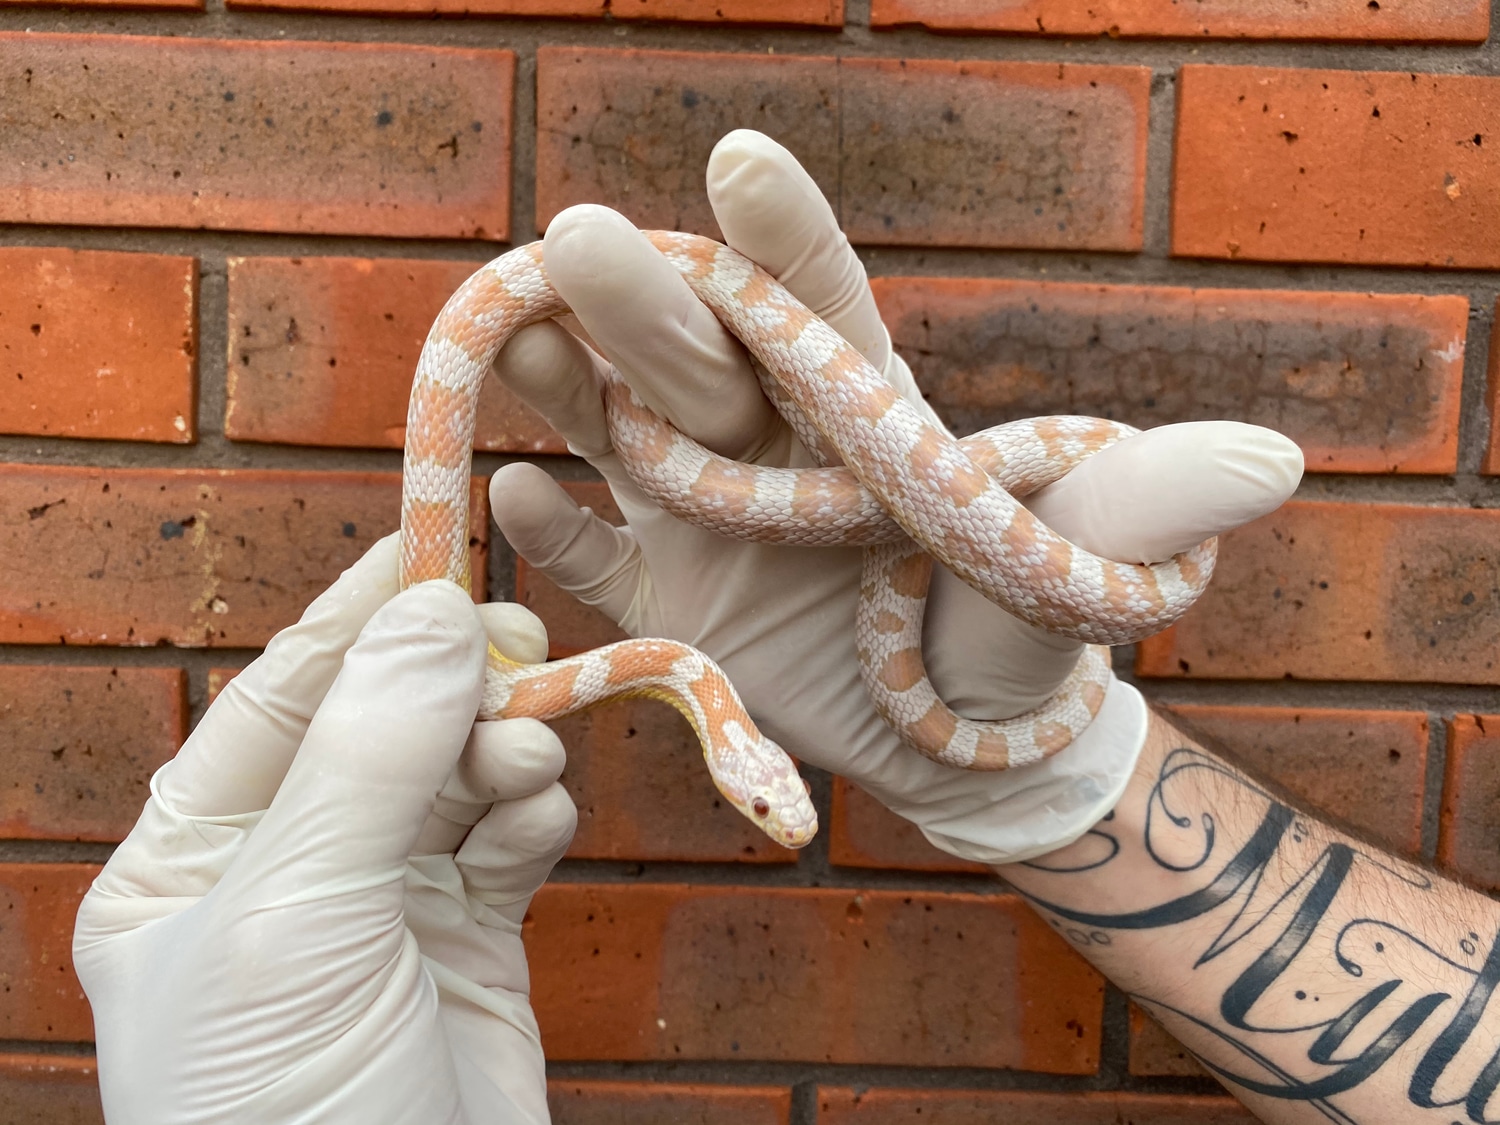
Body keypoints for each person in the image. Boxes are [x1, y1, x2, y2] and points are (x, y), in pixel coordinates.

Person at [73, 131, 1500, 1125]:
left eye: (767, 800)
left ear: (730, 743)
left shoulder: (703, 672)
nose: (777, 812)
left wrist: (1060, 772)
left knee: (895, 511)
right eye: (768, 800)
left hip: (889, 608)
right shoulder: (675, 669)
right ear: (728, 741)